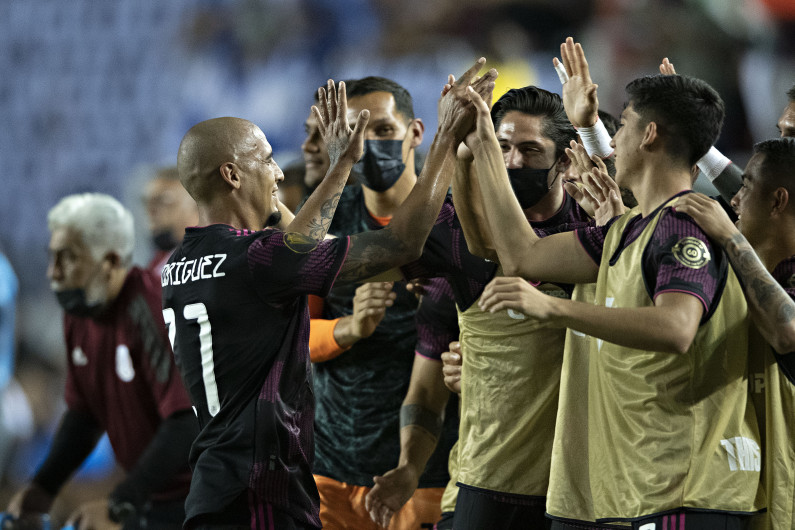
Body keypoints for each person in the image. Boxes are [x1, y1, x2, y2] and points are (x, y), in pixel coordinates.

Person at [162, 61, 494, 530]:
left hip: (218, 484)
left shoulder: (179, 265)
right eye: (266, 159)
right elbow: (400, 244)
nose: (278, 172)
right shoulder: (258, 260)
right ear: (232, 174)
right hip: (261, 490)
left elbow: (287, 242)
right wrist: (439, 141)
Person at [470, 50, 762, 528]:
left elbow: (676, 327)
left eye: (622, 125)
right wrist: (484, 146)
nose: (614, 138)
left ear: (649, 135)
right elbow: (522, 256)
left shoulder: (682, 225)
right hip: (646, 484)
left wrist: (554, 309)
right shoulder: (627, 229)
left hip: (690, 487)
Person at [304, 75, 464, 530]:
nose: (371, 145)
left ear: (415, 133)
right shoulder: (325, 217)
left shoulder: (457, 219)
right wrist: (348, 328)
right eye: (358, 132)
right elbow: (293, 333)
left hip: (429, 467)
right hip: (332, 464)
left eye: (384, 131)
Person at [6, 193, 196, 530]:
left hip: (194, 501)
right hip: (150, 499)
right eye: (52, 257)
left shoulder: (151, 309)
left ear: (109, 262)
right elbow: (84, 417)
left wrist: (119, 504)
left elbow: (185, 422)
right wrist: (42, 488)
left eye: (68, 259)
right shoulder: (80, 314)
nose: (54, 272)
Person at [674, 137, 795, 530]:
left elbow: (788, 331)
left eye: (745, 188)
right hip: (744, 491)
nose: (734, 200)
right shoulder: (750, 264)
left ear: (778, 202)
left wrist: (730, 237)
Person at [143, 166, 199, 273]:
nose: (151, 212)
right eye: (147, 203)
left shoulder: (220, 259)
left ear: (197, 205)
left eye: (164, 201)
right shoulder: (157, 265)